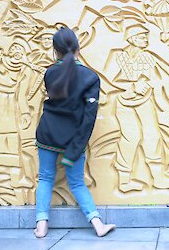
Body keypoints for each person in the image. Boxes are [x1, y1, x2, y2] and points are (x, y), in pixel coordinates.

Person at [33, 27, 116, 238]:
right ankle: (98, 225)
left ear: (55, 51)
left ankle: (41, 226)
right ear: (79, 47)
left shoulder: (50, 73)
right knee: (77, 182)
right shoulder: (90, 77)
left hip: (48, 134)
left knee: (45, 178)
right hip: (74, 138)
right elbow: (89, 117)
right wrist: (75, 148)